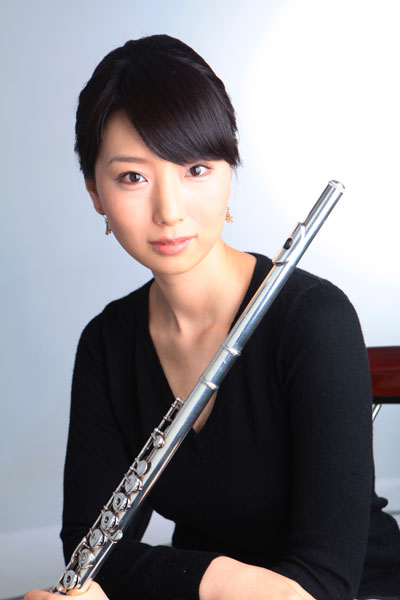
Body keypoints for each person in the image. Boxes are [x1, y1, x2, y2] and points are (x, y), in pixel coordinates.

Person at [24, 34, 400, 600]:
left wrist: (197, 579)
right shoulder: (106, 343)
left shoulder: (314, 321)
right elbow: (90, 549)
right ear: (95, 192)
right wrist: (215, 579)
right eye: (132, 177)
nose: (169, 211)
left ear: (229, 169)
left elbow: (325, 581)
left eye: (195, 169)